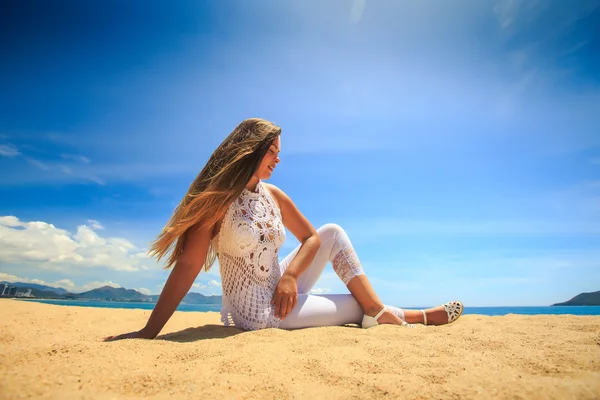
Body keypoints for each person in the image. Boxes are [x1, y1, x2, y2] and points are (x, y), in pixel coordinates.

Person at [104, 118, 463, 341]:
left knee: (333, 230)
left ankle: (377, 310)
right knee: (355, 307)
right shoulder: (216, 202)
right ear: (249, 152)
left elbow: (312, 238)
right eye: (272, 151)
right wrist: (149, 333)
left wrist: (291, 276)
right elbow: (187, 266)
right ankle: (408, 316)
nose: (278, 159)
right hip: (257, 312)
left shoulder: (272, 194)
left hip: (280, 288)